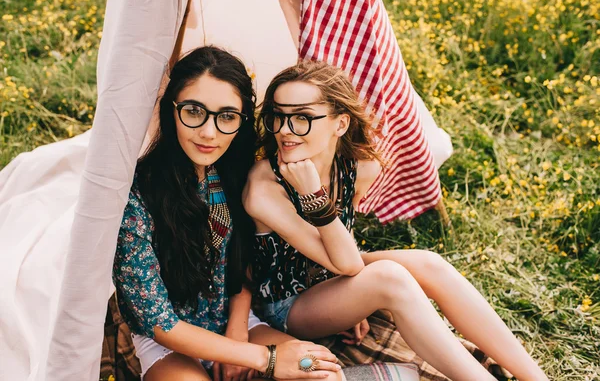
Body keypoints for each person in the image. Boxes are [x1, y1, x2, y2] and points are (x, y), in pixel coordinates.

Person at [243, 61, 549, 381]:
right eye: (277, 116)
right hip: (287, 306)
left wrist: (350, 300)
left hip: (328, 273)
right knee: (390, 278)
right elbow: (348, 265)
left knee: (430, 264)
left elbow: (342, 249)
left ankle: (536, 378)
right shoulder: (264, 188)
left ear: (340, 123)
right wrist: (312, 194)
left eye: (302, 117)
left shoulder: (359, 168)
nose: (284, 129)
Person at [112, 47, 342, 380]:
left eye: (227, 116)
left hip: (232, 321)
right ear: (170, 110)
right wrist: (264, 358)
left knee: (323, 372)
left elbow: (241, 257)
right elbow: (157, 321)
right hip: (164, 339)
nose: (209, 132)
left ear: (242, 120)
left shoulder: (235, 173)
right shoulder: (135, 194)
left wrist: (238, 332)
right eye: (194, 111)